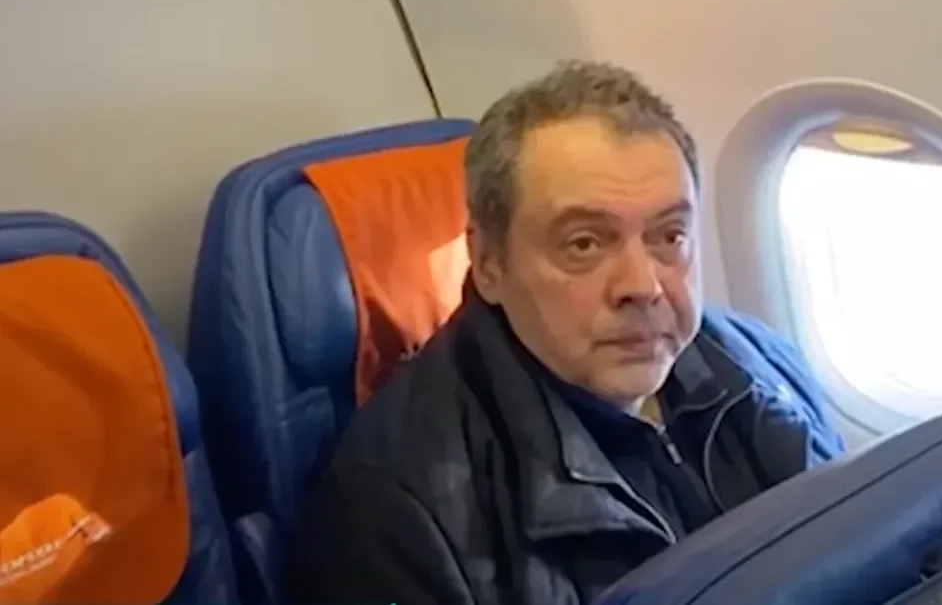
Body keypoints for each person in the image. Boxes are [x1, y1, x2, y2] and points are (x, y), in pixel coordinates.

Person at [285, 60, 843, 604]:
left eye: (669, 235)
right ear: (489, 263)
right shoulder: (397, 508)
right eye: (585, 243)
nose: (643, 285)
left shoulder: (765, 366)